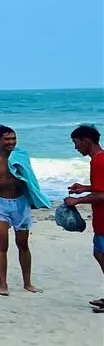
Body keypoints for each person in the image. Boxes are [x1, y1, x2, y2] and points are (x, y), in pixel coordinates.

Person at [0, 125, 50, 295]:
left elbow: (30, 179)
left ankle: (27, 283)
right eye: (7, 139)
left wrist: (33, 198)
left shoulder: (21, 155)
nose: (11, 142)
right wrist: (7, 182)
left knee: (23, 245)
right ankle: (3, 285)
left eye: (13, 138)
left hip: (20, 204)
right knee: (2, 244)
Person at [62, 124, 104, 312]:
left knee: (101, 254)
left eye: (76, 143)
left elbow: (102, 195)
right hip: (100, 220)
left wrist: (77, 200)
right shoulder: (99, 159)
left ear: (86, 141)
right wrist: (85, 188)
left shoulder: (99, 161)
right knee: (99, 253)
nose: (75, 147)